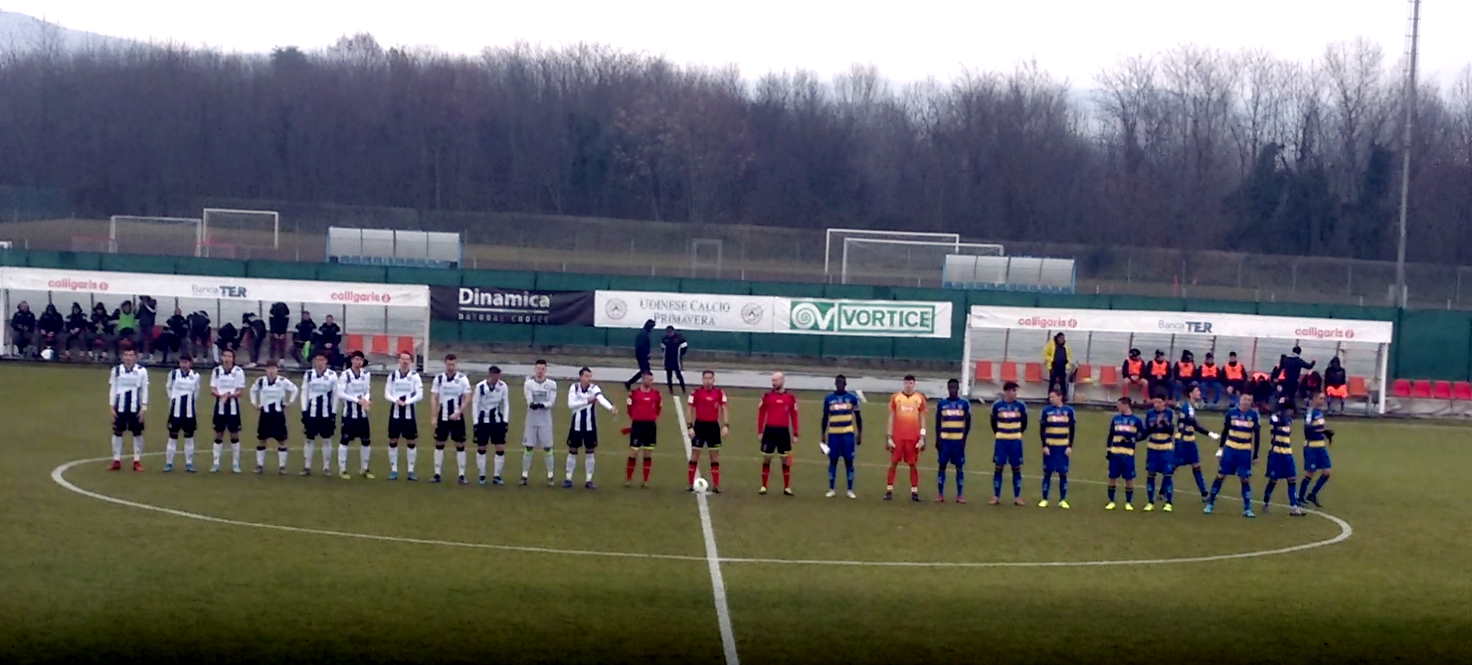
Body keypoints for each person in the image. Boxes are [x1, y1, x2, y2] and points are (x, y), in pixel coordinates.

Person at [1206, 394, 1261, 518]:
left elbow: (1257, 436)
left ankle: (1247, 508)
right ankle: (1210, 503)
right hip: (1230, 449)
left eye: (1249, 400)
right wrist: (1220, 449)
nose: (1246, 402)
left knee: (1245, 478)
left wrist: (1256, 455)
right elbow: (1225, 431)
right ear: (1240, 400)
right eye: (1244, 399)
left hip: (1244, 451)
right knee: (1221, 475)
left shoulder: (1253, 415)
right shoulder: (1231, 413)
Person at [567, 366, 615, 489]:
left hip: (590, 425)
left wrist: (610, 407)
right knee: (572, 450)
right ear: (581, 377)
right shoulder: (574, 387)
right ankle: (568, 478)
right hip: (576, 424)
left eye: (590, 376)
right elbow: (571, 405)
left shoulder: (594, 388)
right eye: (586, 376)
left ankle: (589, 480)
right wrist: (587, 401)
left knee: (590, 451)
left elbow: (600, 398)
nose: (588, 379)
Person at [249, 359, 299, 475]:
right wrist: (254, 403)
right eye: (269, 368)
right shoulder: (261, 381)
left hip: (278, 414)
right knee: (262, 439)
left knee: (281, 440)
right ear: (266, 370)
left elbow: (294, 389)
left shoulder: (282, 381)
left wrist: (289, 402)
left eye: (273, 368)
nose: (271, 371)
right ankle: (259, 465)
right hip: (265, 414)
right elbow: (252, 390)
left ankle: (282, 467)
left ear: (277, 369)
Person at [884, 375, 928, 502]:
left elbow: (922, 418)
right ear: (903, 383)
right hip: (898, 437)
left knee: (913, 464)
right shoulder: (896, 398)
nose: (908, 385)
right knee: (893, 463)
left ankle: (914, 492)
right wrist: (889, 436)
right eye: (907, 383)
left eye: (911, 383)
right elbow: (891, 416)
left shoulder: (919, 398)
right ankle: (889, 490)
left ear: (914, 384)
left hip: (913, 437)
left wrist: (922, 437)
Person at [429, 354, 472, 485]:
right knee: (439, 443)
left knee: (460, 444)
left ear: (456, 364)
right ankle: (437, 474)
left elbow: (468, 397)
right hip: (443, 415)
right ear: (445, 364)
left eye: (453, 364)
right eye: (449, 364)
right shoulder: (439, 378)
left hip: (457, 417)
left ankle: (462, 475)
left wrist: (459, 411)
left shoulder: (462, 378)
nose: (451, 367)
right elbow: (433, 397)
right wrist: (434, 416)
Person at [106, 344, 149, 472]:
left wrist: (144, 408)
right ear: (122, 357)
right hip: (120, 407)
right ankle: (116, 460)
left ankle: (137, 461)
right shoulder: (116, 370)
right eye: (126, 355)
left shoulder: (141, 371)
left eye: (131, 355)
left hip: (135, 407)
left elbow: (145, 389)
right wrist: (111, 406)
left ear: (136, 357)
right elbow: (113, 388)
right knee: (117, 433)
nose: (128, 358)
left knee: (137, 434)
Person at [756, 371, 799, 496]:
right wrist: (760, 431)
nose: (773, 383)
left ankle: (787, 487)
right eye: (772, 380)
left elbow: (794, 415)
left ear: (782, 381)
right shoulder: (767, 396)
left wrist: (795, 433)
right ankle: (764, 486)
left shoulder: (790, 398)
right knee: (767, 458)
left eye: (776, 380)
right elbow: (761, 414)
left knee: (785, 460)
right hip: (769, 431)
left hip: (783, 432)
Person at [384, 351, 424, 481]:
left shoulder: (415, 376)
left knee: (411, 442)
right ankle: (394, 470)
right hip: (395, 412)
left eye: (407, 359)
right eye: (403, 359)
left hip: (409, 413)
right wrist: (396, 400)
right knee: (393, 440)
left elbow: (420, 395)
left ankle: (411, 471)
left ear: (411, 362)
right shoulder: (393, 376)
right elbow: (387, 393)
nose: (405, 361)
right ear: (399, 361)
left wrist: (406, 402)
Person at [820, 375, 861, 499]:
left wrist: (860, 433)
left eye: (841, 383)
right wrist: (823, 435)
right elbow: (825, 418)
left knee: (849, 461)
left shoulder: (852, 398)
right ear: (835, 384)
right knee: (833, 461)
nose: (839, 385)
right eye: (837, 382)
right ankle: (832, 489)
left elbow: (858, 417)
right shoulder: (829, 398)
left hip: (848, 435)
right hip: (833, 435)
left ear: (845, 384)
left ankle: (849, 489)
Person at [1261, 404, 1306, 517]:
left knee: (1292, 479)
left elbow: (1285, 424)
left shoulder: (1289, 420)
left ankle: (1294, 507)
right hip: (1276, 454)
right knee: (1273, 480)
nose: (1291, 412)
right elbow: (1276, 423)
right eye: (1289, 410)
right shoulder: (1274, 418)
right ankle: (1266, 501)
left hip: (1287, 453)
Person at [336, 350, 376, 479]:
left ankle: (364, 469)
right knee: (345, 440)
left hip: (362, 414)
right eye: (356, 359)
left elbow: (367, 390)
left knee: (366, 441)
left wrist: (366, 400)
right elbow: (340, 393)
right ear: (352, 360)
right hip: (349, 414)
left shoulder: (366, 374)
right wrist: (357, 400)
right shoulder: (345, 375)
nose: (358, 362)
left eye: (360, 359)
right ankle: (342, 469)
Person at [686, 370, 727, 494]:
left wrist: (725, 425)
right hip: (699, 426)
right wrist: (689, 426)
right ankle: (690, 484)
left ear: (714, 380)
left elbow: (724, 408)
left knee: (714, 456)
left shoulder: (719, 393)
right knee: (695, 455)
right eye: (705, 378)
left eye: (710, 378)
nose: (708, 381)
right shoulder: (696, 393)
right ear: (702, 380)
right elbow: (689, 409)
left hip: (713, 427)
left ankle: (716, 485)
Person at [299, 352, 339, 476]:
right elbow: (304, 392)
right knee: (309, 439)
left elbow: (335, 395)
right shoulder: (309, 374)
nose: (320, 362)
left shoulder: (332, 375)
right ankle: (307, 466)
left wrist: (333, 412)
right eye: (317, 359)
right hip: (311, 412)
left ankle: (326, 467)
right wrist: (304, 410)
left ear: (326, 361)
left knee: (326, 439)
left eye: (322, 360)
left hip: (326, 413)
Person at [1173, 384, 1214, 502]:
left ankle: (1204, 493)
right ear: (1191, 394)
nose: (1199, 393)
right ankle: (1163, 491)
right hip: (1183, 442)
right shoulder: (1187, 408)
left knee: (1196, 466)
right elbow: (1194, 425)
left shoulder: (1189, 406)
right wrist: (1209, 434)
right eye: (1197, 391)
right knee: (1174, 467)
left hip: (1189, 441)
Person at [988, 381, 1027, 506]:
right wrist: (1000, 433)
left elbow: (1024, 423)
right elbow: (993, 422)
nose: (1015, 393)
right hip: (1001, 442)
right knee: (998, 468)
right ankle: (996, 496)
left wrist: (1016, 433)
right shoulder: (997, 405)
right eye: (1013, 391)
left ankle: (1017, 497)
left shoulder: (1021, 406)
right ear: (1007, 392)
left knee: (1016, 469)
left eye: (1016, 391)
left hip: (1015, 441)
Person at [470, 365, 510, 485]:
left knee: (500, 448)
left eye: (498, 375)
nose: (497, 378)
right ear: (490, 374)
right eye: (494, 375)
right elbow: (475, 404)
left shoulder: (503, 386)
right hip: (483, 422)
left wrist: (506, 421)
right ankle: (482, 475)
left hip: (497, 421)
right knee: (481, 448)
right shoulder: (480, 386)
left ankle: (496, 476)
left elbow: (506, 404)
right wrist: (475, 422)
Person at [209, 348, 247, 473]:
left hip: (233, 407)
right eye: (225, 356)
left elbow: (240, 391)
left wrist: (228, 396)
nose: (227, 358)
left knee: (234, 434)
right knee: (218, 433)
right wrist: (221, 396)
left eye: (229, 356)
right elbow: (213, 388)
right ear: (221, 358)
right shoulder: (217, 371)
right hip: (220, 405)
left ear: (233, 358)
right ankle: (216, 463)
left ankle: (235, 464)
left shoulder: (238, 371)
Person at [521, 359, 558, 486]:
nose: (540, 371)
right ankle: (524, 475)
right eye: (538, 369)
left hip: (545, 420)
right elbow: (529, 399)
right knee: (528, 446)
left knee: (548, 447)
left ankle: (550, 475)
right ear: (534, 369)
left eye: (542, 369)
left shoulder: (552, 384)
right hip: (531, 419)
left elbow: (551, 402)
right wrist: (533, 404)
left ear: (546, 370)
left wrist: (542, 404)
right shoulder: (529, 383)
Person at [934, 379, 972, 504]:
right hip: (945, 442)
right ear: (948, 388)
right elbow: (938, 423)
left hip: (958, 442)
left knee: (959, 468)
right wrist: (937, 439)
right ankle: (940, 494)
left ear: (958, 388)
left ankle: (960, 495)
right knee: (942, 467)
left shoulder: (964, 404)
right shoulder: (942, 404)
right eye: (950, 387)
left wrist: (964, 439)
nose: (952, 390)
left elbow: (968, 423)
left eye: (955, 387)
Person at [1037, 388, 1075, 509]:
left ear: (1060, 397)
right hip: (1050, 446)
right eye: (1050, 397)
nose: (1050, 399)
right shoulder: (1046, 411)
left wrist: (1070, 446)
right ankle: (1044, 499)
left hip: (1063, 447)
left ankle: (1062, 499)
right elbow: (1042, 430)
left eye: (1053, 397)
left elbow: (1072, 430)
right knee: (1047, 473)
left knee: (1063, 473)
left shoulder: (1069, 411)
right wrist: (1044, 445)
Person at [162, 354, 201, 473]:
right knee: (172, 437)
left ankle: (189, 463)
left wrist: (191, 402)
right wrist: (173, 399)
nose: (184, 364)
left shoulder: (195, 375)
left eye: (186, 362)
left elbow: (197, 391)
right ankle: (169, 463)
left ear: (190, 363)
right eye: (182, 362)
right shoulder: (173, 374)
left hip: (189, 411)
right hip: (175, 411)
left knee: (189, 438)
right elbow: (168, 387)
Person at [624, 370, 663, 488]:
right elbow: (629, 408)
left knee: (647, 454)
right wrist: (636, 418)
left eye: (651, 380)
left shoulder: (656, 394)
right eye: (647, 379)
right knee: (634, 452)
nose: (649, 382)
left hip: (650, 426)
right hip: (637, 425)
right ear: (642, 379)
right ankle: (629, 479)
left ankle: (645, 481)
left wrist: (652, 417)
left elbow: (658, 408)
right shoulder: (633, 393)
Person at [1104, 397, 1143, 510]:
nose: (1117, 407)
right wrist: (1108, 450)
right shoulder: (1116, 419)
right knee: (1112, 476)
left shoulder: (1136, 420)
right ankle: (1111, 501)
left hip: (1128, 453)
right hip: (1115, 453)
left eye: (1119, 405)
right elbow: (1110, 435)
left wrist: (1132, 439)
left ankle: (1128, 502)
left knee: (1129, 478)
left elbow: (1143, 434)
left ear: (1126, 405)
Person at [1298, 391, 1335, 507]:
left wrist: (1325, 434)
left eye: (1323, 399)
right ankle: (1300, 497)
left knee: (1327, 471)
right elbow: (1308, 430)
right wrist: (1323, 431)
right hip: (1311, 447)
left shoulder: (1319, 413)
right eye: (1320, 398)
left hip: (1320, 446)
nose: (1322, 401)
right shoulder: (1310, 412)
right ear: (1314, 399)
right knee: (1310, 472)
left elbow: (1318, 428)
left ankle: (1313, 494)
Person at [1142, 393, 1176, 512]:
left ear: (1164, 402)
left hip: (1165, 448)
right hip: (1152, 448)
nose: (1156, 405)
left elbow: (1171, 431)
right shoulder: (1150, 414)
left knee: (1167, 475)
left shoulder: (1170, 413)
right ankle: (1150, 501)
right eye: (1155, 402)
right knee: (1151, 474)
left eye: (1159, 402)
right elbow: (1146, 430)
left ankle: (1168, 502)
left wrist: (1165, 422)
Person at [1277, 346, 1316, 410]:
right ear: (1299, 352)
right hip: (1294, 381)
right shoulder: (1298, 361)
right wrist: (1313, 362)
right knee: (1291, 396)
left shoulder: (1286, 359)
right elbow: (1309, 366)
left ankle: (1280, 409)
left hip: (1286, 380)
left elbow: (1281, 367)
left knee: (1283, 395)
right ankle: (1293, 410)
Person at [624, 319, 657, 391]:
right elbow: (641, 346)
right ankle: (642, 384)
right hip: (642, 355)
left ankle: (630, 383)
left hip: (642, 355)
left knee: (644, 371)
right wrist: (646, 354)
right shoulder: (644, 334)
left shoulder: (643, 333)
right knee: (646, 371)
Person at [1042, 332, 1072, 400]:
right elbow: (1045, 354)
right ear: (1057, 338)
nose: (1062, 340)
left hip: (1062, 366)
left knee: (1063, 383)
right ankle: (1050, 397)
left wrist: (1067, 362)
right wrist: (1052, 360)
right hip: (1053, 366)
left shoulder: (1066, 346)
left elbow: (1069, 355)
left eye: (1063, 338)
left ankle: (1064, 397)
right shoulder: (1051, 344)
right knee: (1052, 382)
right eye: (1061, 338)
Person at [661, 325, 689, 394]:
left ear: (673, 331)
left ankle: (683, 389)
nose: (669, 333)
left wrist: (680, 354)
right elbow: (662, 348)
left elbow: (685, 346)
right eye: (668, 332)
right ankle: (670, 390)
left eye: (670, 332)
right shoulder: (664, 339)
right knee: (669, 376)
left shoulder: (679, 338)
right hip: (668, 360)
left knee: (679, 375)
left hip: (676, 360)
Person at [136, 296, 157, 360]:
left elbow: (153, 312)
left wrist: (145, 305)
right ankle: (140, 354)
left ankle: (151, 355)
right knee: (140, 339)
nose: (143, 300)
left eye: (144, 298)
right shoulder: (141, 306)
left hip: (149, 325)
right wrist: (136, 309)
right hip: (142, 325)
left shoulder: (152, 304)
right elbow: (137, 316)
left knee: (150, 340)